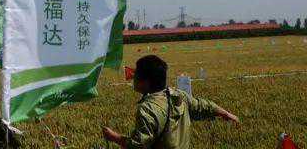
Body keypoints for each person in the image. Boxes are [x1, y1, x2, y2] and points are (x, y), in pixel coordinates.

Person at [102, 55, 239, 149]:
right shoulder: (178, 95)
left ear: (146, 82)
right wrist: (226, 114)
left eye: (136, 74)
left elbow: (139, 146)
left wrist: (114, 137)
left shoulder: (147, 109)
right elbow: (203, 106)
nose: (133, 77)